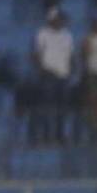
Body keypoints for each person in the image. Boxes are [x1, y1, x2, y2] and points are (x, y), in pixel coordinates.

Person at [33, 8, 74, 144]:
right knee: (47, 106)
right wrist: (42, 70)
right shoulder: (42, 34)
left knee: (62, 107)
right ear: (52, 19)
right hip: (48, 74)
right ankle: (46, 135)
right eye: (59, 19)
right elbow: (37, 54)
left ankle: (60, 134)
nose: (61, 21)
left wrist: (71, 71)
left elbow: (70, 55)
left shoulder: (67, 35)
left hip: (63, 75)